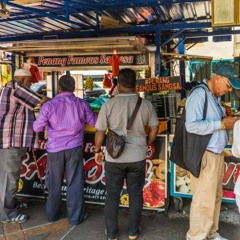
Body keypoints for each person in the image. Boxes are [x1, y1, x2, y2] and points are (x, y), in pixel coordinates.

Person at [94, 68, 159, 240]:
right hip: (137, 157)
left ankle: (112, 233)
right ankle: (132, 232)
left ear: (118, 85)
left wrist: (97, 150)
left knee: (112, 195)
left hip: (114, 158)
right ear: (135, 84)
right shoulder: (145, 104)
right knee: (135, 194)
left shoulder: (108, 104)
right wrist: (146, 143)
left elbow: (100, 131)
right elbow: (154, 128)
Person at [185, 64, 240, 240]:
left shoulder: (213, 96)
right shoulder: (199, 94)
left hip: (216, 154)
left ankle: (211, 234)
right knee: (203, 201)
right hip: (205, 154)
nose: (229, 89)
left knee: (215, 197)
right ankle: (196, 237)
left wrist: (225, 115)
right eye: (228, 85)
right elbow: (191, 125)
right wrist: (222, 124)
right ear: (216, 78)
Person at [33, 75, 97, 226]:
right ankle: (75, 218)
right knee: (74, 183)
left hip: (54, 149)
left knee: (54, 183)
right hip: (74, 148)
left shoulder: (49, 105)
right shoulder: (81, 104)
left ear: (59, 88)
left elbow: (37, 127)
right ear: (74, 88)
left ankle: (52, 215)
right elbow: (94, 123)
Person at [0, 69, 48, 224]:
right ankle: (7, 214)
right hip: (11, 141)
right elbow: (41, 100)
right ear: (21, 79)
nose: (31, 84)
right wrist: (63, 101)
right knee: (9, 179)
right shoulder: (16, 87)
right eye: (29, 81)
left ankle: (10, 204)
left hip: (12, 141)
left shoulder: (12, 88)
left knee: (8, 177)